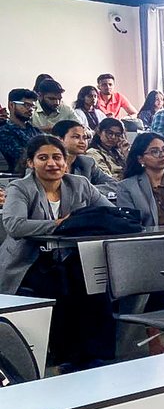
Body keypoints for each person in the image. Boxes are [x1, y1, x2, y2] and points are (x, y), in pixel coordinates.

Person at [0, 135, 116, 371]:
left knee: (96, 285)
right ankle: (65, 357)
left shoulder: (80, 183)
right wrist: (59, 224)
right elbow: (14, 225)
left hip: (71, 257)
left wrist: (86, 222)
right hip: (28, 261)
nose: (52, 163)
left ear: (66, 162)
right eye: (43, 158)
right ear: (31, 163)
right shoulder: (20, 187)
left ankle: (96, 354)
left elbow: (110, 213)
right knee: (61, 286)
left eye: (57, 157)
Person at [50, 120, 116, 188]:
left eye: (84, 138)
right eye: (76, 137)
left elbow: (114, 185)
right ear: (59, 139)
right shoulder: (48, 164)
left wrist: (87, 192)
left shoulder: (87, 163)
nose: (82, 142)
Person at [0, 89, 42, 171]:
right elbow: (21, 157)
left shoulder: (36, 131)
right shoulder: (4, 132)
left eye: (33, 106)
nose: (30, 109)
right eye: (26, 105)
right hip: (19, 177)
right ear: (11, 105)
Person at [87, 116, 128, 181]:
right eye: (109, 133)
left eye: (117, 135)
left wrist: (127, 154)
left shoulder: (117, 152)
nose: (113, 137)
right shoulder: (93, 153)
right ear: (99, 132)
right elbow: (107, 179)